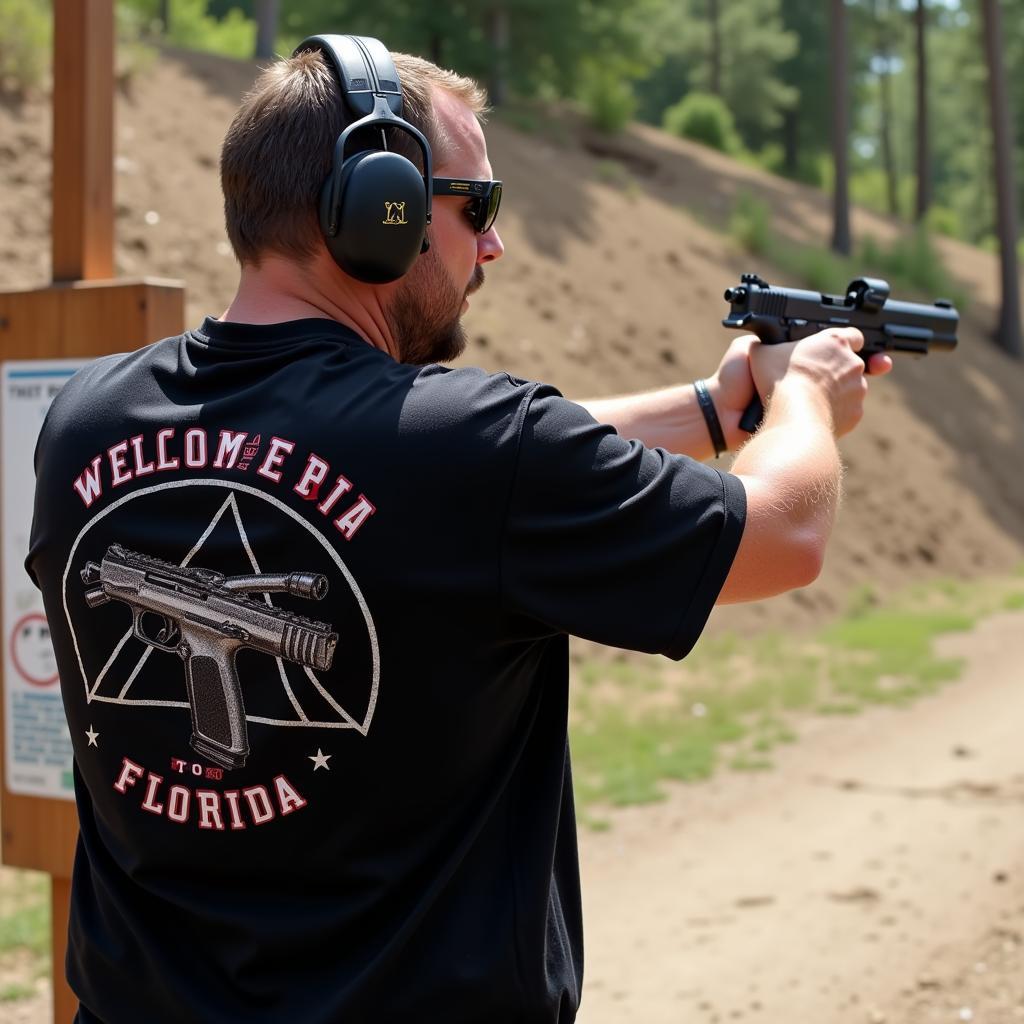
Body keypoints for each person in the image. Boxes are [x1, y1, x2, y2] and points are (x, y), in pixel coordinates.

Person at [27, 36, 892, 1024]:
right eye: (474, 205)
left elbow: (430, 472)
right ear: (377, 209)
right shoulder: (476, 454)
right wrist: (808, 402)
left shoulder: (84, 420)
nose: (493, 245)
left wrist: (706, 408)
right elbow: (780, 534)